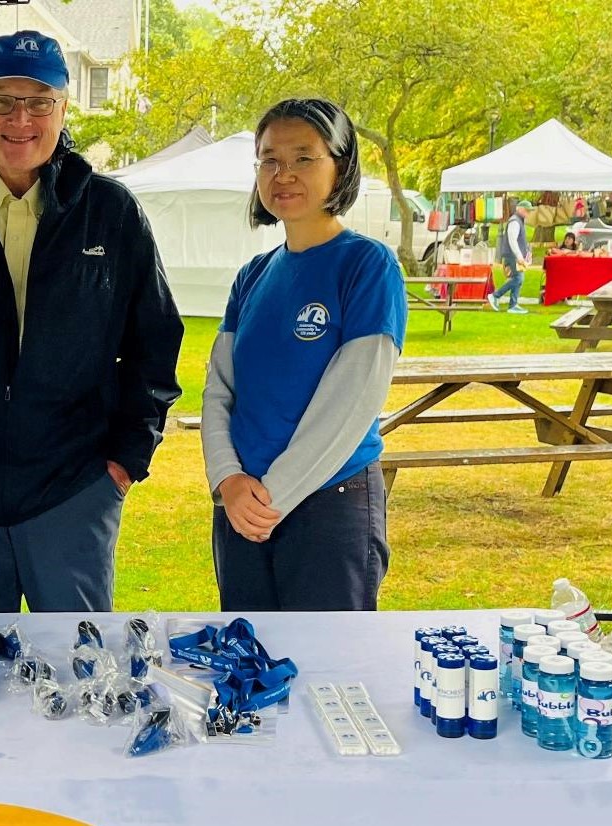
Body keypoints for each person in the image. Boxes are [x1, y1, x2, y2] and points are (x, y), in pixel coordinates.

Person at [0, 30, 184, 613]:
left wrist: (125, 463)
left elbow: (154, 343)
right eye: (2, 100)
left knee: (81, 681)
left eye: (39, 101)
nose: (19, 118)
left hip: (73, 494)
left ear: (63, 109)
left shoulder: (110, 212)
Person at [201, 98, 407, 612]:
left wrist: (271, 497)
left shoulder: (367, 265)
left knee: (327, 677)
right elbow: (219, 389)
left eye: (303, 158)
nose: (283, 174)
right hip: (243, 507)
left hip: (328, 504)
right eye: (269, 160)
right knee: (249, 667)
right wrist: (227, 479)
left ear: (341, 166)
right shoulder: (252, 276)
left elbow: (351, 402)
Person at [487, 199, 533, 314]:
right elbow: (512, 240)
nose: (528, 213)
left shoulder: (518, 221)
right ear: (520, 209)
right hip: (512, 256)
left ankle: (513, 305)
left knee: (518, 279)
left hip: (515, 255)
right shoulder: (515, 222)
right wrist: (519, 256)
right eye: (527, 211)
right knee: (518, 278)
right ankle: (495, 296)